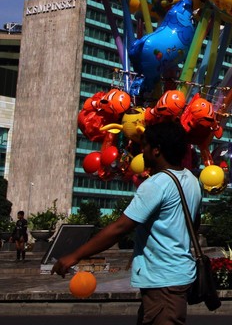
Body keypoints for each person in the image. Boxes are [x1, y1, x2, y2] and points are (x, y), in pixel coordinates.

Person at [52, 121, 202, 325]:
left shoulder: (156, 184)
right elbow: (193, 224)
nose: (143, 151)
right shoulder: (192, 181)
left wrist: (75, 255)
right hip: (178, 275)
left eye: (146, 145)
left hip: (163, 281)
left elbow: (120, 228)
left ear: (157, 150)